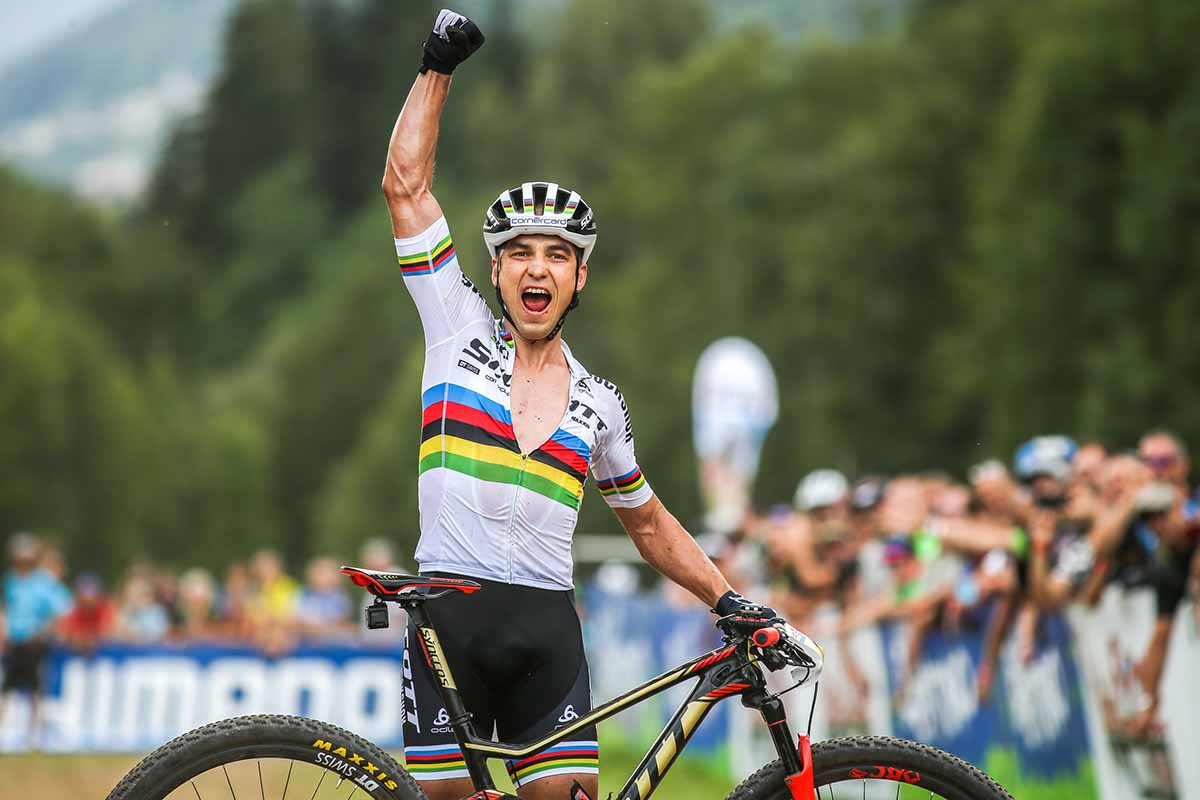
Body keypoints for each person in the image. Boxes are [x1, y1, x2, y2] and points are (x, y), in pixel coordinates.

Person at [378, 12, 769, 800]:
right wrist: (436, 67)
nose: (537, 268)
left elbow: (649, 525)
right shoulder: (455, 327)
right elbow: (405, 187)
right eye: (519, 252)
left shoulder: (600, 405)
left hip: (547, 638)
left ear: (579, 277)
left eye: (557, 255)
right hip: (450, 620)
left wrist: (728, 598)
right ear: (495, 271)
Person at [0, 533, 72, 738]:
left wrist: (44, 631)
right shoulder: (11, 581)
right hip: (14, 641)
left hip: (34, 643)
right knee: (7, 687)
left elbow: (61, 608)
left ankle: (33, 735)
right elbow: (6, 608)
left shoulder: (43, 583)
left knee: (35, 689)